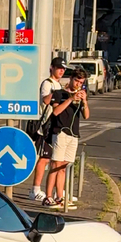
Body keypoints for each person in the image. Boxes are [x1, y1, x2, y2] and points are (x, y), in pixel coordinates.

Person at [43, 68, 90, 210]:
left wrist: (84, 101)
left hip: (73, 134)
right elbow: (56, 111)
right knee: (55, 165)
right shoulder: (59, 93)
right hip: (60, 132)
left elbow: (86, 115)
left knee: (64, 167)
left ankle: (59, 197)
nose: (78, 84)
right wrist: (70, 98)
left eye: (81, 82)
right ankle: (48, 196)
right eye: (76, 81)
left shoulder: (81, 95)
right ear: (71, 79)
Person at [29, 57, 66, 201]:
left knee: (55, 159)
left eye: (63, 69)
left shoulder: (58, 84)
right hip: (45, 126)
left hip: (56, 125)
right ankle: (35, 189)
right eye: (59, 68)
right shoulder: (48, 83)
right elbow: (45, 100)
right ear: (52, 68)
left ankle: (58, 192)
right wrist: (57, 94)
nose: (61, 71)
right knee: (44, 158)